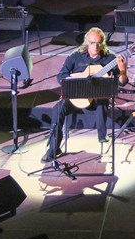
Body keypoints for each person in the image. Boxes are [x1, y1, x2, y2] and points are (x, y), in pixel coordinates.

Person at [44, 27, 128, 164]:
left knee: (102, 98)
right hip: (77, 97)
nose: (95, 46)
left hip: (97, 101)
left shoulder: (111, 58)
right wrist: (75, 79)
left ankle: (102, 136)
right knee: (57, 109)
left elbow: (122, 82)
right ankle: (53, 148)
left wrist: (123, 71)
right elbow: (61, 76)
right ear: (87, 42)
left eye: (99, 43)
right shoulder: (76, 56)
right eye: (92, 43)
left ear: (103, 43)